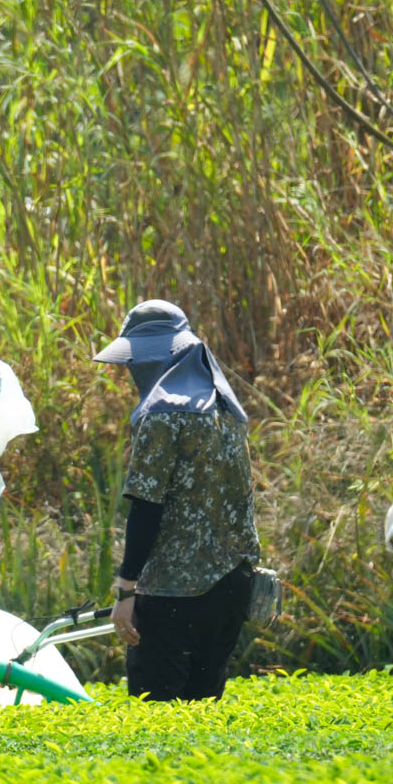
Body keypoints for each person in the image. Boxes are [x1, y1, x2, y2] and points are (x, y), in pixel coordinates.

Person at [96, 299, 260, 702]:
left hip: (174, 594)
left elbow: (146, 507)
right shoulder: (227, 410)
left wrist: (126, 592)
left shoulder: (162, 415)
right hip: (233, 583)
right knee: (204, 720)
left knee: (157, 722)